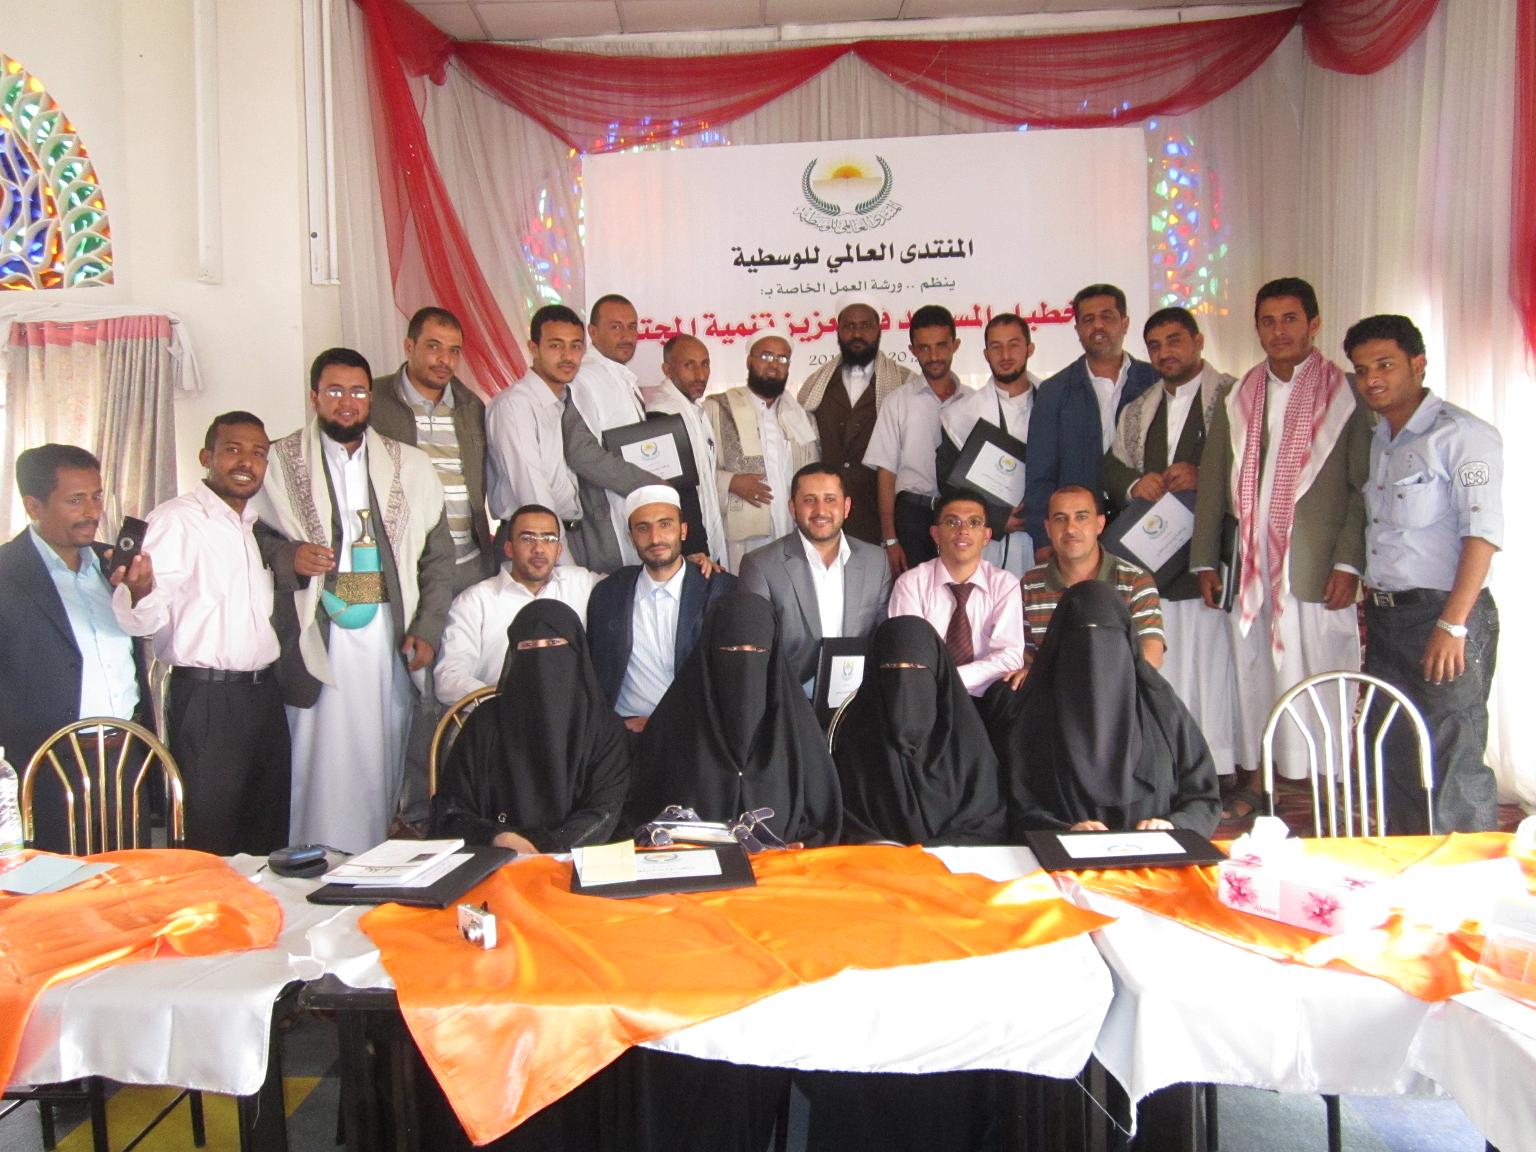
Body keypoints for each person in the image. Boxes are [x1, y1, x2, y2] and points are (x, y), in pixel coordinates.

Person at [254, 347, 455, 853]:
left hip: (386, 636)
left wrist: (427, 629)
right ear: (315, 397)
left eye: (359, 392)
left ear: (371, 398)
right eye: (335, 391)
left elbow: (438, 557)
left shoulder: (408, 465)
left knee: (377, 748)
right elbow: (249, 534)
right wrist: (290, 556)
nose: (347, 402)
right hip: (312, 635)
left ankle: (368, 858)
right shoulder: (277, 462)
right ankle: (304, 861)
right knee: (312, 750)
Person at [1191, 277, 1372, 820]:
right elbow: (1212, 481)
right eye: (1267, 321)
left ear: (1314, 323)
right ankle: (1258, 779)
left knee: (1321, 670)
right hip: (1248, 565)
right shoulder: (1239, 394)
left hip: (1313, 566)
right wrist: (1205, 559)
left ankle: (1331, 784)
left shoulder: (1347, 394)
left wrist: (1349, 561)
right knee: (1252, 672)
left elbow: (1362, 488)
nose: (1278, 331)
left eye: (1290, 318)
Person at [1344, 314, 1502, 833]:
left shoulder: (1462, 435)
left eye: (1385, 365)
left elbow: (1481, 536)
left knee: (1451, 752)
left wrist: (1452, 625)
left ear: (1418, 364)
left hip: (1443, 614)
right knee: (1394, 748)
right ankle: (1406, 862)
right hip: (1387, 617)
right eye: (1362, 369)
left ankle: (1463, 874)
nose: (1372, 379)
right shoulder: (1382, 438)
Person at [112, 412, 291, 855]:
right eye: (233, 450)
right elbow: (140, 621)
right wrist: (139, 592)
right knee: (211, 834)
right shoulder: (176, 520)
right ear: (206, 457)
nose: (246, 462)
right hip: (208, 699)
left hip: (262, 696)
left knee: (267, 830)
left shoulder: (250, 526)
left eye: (258, 453)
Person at [1102, 306, 1239, 781]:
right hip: (1155, 560)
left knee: (1212, 667)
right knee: (1164, 665)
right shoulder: (1140, 408)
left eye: (1175, 340)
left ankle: (1217, 767)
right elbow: (1111, 464)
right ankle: (1169, 768)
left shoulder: (1234, 397)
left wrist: (1207, 474)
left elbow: (1254, 466)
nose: (1165, 353)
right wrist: (1135, 484)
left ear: (1198, 341)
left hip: (1210, 558)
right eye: (1155, 345)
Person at [0, 444, 144, 852]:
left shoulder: (114, 565)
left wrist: (141, 595)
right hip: (46, 765)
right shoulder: (7, 573)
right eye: (75, 500)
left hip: (124, 757)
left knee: (131, 875)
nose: (92, 512)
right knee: (59, 880)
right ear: (34, 506)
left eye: (96, 496)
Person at [999, 580, 1220, 838]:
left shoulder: (1163, 710)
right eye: (1080, 634)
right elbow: (1016, 809)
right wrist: (1063, 832)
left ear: (1127, 641)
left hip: (1158, 857)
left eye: (1107, 633)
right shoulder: (1033, 718)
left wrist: (1173, 826)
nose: (1093, 650)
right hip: (1062, 859)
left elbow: (1204, 798)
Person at [626, 593, 842, 846]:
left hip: (785, 865)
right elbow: (641, 816)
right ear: (710, 651)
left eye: (758, 651)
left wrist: (798, 850)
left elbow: (823, 819)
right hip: (694, 865)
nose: (745, 665)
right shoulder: (673, 726)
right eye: (731, 650)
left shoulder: (798, 731)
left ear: (772, 655)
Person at [432, 600, 629, 853]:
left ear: (577, 650)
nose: (540, 657)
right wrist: (498, 837)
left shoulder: (603, 728)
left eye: (553, 643)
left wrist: (547, 849)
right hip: (494, 859)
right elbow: (451, 809)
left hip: (575, 861)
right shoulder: (485, 723)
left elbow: (604, 812)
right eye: (528, 646)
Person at [835, 616, 1003, 846]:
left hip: (957, 863)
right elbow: (848, 823)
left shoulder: (968, 744)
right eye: (890, 669)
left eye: (915, 668)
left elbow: (988, 823)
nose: (903, 682)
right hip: (879, 862)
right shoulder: (858, 742)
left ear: (937, 674)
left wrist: (936, 852)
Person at [586, 486, 737, 731]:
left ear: (683, 530)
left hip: (700, 732)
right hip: (628, 734)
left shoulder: (720, 590)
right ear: (631, 537)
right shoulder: (609, 593)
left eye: (665, 524)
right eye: (643, 528)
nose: (655, 538)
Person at [1023, 283, 1157, 553]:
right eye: (1088, 319)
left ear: (1125, 323)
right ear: (1077, 329)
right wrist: (1043, 540)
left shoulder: (1154, 382)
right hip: (1075, 531)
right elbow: (1040, 474)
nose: (1097, 326)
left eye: (1107, 317)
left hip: (1145, 525)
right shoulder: (1054, 391)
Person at [737, 463, 891, 694]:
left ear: (846, 506)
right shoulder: (761, 565)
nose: (821, 510)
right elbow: (754, 654)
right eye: (809, 500)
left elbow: (882, 637)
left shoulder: (876, 561)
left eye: (830, 499)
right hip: (790, 698)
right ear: (792, 508)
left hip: (859, 697)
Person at [370, 306, 494, 593]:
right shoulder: (374, 402)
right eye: (433, 347)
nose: (445, 360)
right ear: (409, 346)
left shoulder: (471, 406)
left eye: (454, 351)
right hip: (403, 562)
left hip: (468, 562)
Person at [434, 503, 603, 705]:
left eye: (549, 539)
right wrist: (509, 702)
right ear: (509, 548)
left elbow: (630, 588)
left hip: (573, 717)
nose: (539, 549)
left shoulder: (581, 583)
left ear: (559, 550)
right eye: (527, 538)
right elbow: (448, 678)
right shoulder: (474, 602)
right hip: (501, 716)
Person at [797, 301, 915, 545]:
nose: (857, 334)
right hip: (826, 519)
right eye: (849, 326)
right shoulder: (817, 385)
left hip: (884, 520)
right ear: (838, 331)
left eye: (865, 326)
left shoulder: (905, 384)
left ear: (879, 330)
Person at [864, 304, 968, 577]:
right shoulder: (897, 402)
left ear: (955, 345)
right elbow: (886, 475)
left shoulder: (974, 402)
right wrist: (890, 539)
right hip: (912, 518)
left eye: (941, 346)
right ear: (912, 350)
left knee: (960, 594)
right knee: (914, 597)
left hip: (960, 518)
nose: (934, 356)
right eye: (924, 348)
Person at [887, 494, 1026, 697]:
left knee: (1013, 692)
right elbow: (909, 655)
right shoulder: (911, 584)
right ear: (935, 534)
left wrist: (952, 679)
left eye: (974, 522)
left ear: (986, 536)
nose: (963, 531)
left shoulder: (1005, 584)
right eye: (952, 522)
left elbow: (1010, 657)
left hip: (986, 693)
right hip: (927, 695)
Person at [566, 293, 667, 571]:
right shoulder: (583, 379)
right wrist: (647, 482)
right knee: (613, 590)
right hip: (605, 519)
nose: (626, 336)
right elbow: (581, 453)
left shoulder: (620, 377)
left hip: (635, 510)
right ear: (592, 332)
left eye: (632, 327)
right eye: (615, 327)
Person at [1020, 485, 1164, 673]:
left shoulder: (1135, 581)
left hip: (1117, 688)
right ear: (1048, 528)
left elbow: (1151, 656)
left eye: (1081, 517)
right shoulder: (1030, 584)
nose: (1070, 528)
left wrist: (1091, 680)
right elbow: (1025, 656)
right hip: (1051, 690)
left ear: (1100, 524)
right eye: (1060, 519)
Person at [937, 312, 1039, 575]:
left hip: (1047, 535)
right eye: (996, 347)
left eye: (1014, 345)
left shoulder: (1056, 403)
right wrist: (997, 517)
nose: (1005, 355)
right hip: (989, 542)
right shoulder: (960, 415)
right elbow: (948, 485)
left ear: (1029, 348)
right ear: (986, 354)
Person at [707, 335, 820, 571]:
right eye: (766, 356)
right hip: (745, 539)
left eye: (782, 359)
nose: (774, 364)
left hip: (792, 529)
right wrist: (731, 482)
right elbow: (699, 470)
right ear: (749, 361)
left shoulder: (801, 417)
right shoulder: (718, 409)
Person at [645, 334, 727, 565]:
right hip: (688, 546)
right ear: (668, 370)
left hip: (704, 534)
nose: (700, 375)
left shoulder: (693, 409)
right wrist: (695, 547)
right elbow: (676, 491)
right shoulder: (662, 414)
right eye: (689, 365)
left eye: (705, 364)